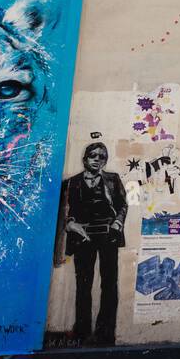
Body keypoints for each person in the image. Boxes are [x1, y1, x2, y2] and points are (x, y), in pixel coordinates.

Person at [56, 141, 128, 346]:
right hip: (83, 237)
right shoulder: (72, 183)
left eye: (102, 156)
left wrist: (117, 223)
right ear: (85, 158)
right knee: (83, 284)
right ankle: (82, 331)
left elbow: (123, 204)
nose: (97, 159)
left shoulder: (113, 180)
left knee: (109, 284)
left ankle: (105, 333)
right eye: (93, 155)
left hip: (108, 236)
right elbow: (64, 211)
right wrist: (71, 224)